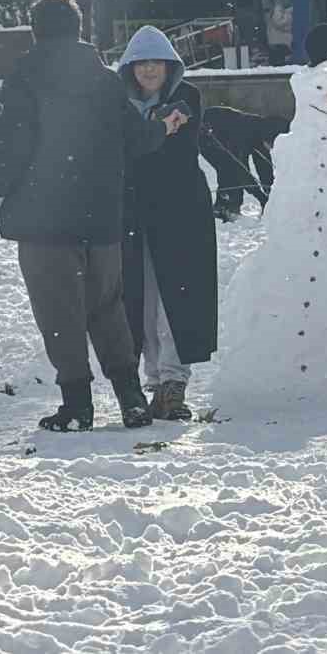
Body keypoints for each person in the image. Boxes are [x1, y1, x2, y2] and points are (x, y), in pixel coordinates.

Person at [0, 0, 185, 432]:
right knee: (107, 308)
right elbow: (136, 138)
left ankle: (77, 405)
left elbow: (12, 145)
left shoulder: (24, 78)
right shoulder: (104, 81)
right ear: (79, 28)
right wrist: (163, 128)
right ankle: (131, 398)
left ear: (35, 30)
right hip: (101, 217)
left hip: (45, 220)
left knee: (59, 313)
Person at [117, 26, 219, 421]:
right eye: (141, 63)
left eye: (156, 62)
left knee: (176, 298)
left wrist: (147, 136)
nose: (148, 70)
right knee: (140, 299)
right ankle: (154, 382)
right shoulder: (120, 105)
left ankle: (173, 382)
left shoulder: (186, 99)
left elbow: (166, 152)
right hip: (133, 215)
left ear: (169, 66)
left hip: (179, 213)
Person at [200, 105, 290, 221]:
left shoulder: (261, 135)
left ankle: (227, 206)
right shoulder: (244, 133)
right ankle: (224, 207)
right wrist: (261, 197)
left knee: (231, 169)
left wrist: (270, 191)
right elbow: (241, 170)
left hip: (225, 135)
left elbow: (264, 167)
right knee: (229, 169)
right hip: (208, 136)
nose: (273, 147)